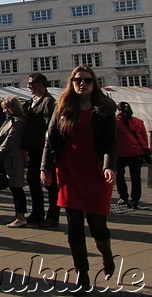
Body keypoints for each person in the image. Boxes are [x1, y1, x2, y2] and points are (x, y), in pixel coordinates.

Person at [41, 66, 117, 292]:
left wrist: (109, 167)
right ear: (71, 82)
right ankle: (82, 274)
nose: (81, 83)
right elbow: (51, 137)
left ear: (94, 84)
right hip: (68, 172)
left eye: (86, 80)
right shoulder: (63, 106)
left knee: (97, 226)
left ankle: (106, 252)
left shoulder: (104, 109)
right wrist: (44, 167)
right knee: (74, 228)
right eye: (77, 80)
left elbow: (110, 142)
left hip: (95, 172)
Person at [24, 72, 59, 227]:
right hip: (33, 149)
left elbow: (50, 127)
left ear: (41, 84)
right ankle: (37, 212)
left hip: (43, 149)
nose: (28, 86)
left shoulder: (48, 101)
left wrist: (43, 144)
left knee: (50, 184)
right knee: (32, 180)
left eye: (31, 83)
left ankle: (52, 216)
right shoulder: (34, 101)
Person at [0, 97, 28, 228]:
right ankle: (17, 215)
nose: (3, 111)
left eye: (5, 108)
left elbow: (11, 139)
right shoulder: (11, 121)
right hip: (8, 158)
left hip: (13, 158)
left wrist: (0, 150)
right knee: (14, 188)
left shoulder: (17, 122)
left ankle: (21, 217)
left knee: (17, 188)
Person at [115, 102, 150, 209]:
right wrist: (145, 150)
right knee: (136, 177)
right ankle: (135, 199)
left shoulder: (115, 122)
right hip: (136, 153)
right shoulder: (138, 122)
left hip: (121, 154)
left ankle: (123, 197)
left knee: (119, 175)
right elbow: (144, 138)